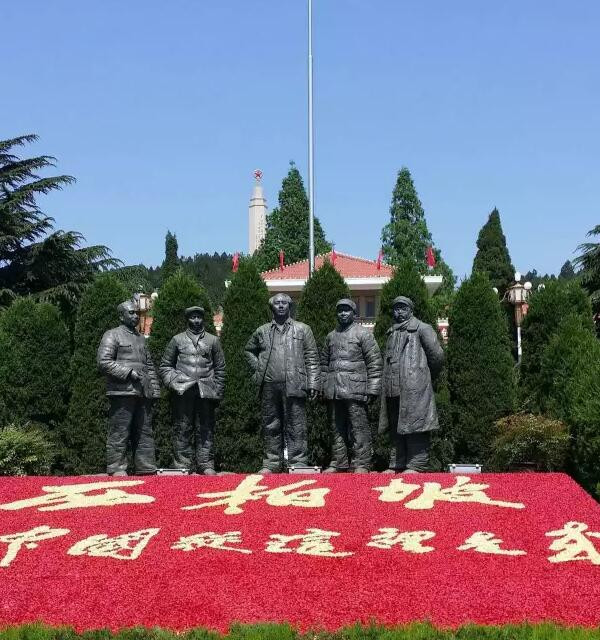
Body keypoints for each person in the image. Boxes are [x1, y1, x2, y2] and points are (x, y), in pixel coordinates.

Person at [245, 293, 320, 473]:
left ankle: (298, 463)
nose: (280, 306)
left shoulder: (303, 329)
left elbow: (312, 357)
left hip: (295, 383)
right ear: (272, 306)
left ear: (290, 306)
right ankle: (271, 463)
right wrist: (259, 367)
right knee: (270, 424)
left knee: (296, 425)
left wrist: (313, 383)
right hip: (269, 385)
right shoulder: (262, 330)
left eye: (284, 303)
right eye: (277, 303)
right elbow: (249, 350)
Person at [379, 295, 444, 473]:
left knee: (416, 424)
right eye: (396, 308)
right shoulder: (392, 332)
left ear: (411, 310)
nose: (399, 312)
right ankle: (397, 463)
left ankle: (417, 464)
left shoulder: (422, 328)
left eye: (403, 308)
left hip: (415, 386)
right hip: (393, 387)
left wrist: (423, 376)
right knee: (395, 425)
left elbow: (437, 357)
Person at [97, 299, 161, 475]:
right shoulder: (112, 335)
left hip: (143, 391)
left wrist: (154, 389)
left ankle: (146, 467)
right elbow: (103, 362)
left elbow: (149, 365)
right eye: (131, 313)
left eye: (137, 313)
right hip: (122, 391)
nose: (135, 316)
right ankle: (116, 467)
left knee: (145, 431)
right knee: (120, 430)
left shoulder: (140, 338)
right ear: (121, 316)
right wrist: (128, 372)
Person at [159, 306, 225, 474]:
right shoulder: (177, 340)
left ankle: (206, 464)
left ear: (203, 319)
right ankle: (182, 465)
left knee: (206, 428)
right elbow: (165, 366)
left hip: (206, 391)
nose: (196, 320)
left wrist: (217, 390)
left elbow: (220, 368)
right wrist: (174, 383)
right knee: (182, 427)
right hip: (184, 391)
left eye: (199, 317)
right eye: (193, 317)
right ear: (187, 319)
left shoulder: (212, 340)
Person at [321, 299, 382, 473]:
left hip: (355, 389)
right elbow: (324, 364)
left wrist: (373, 388)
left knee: (358, 427)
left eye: (346, 310)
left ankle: (361, 463)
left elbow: (375, 362)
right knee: (335, 427)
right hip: (334, 390)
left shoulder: (363, 334)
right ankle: (338, 461)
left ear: (354, 314)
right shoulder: (331, 336)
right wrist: (323, 387)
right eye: (340, 310)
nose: (342, 313)